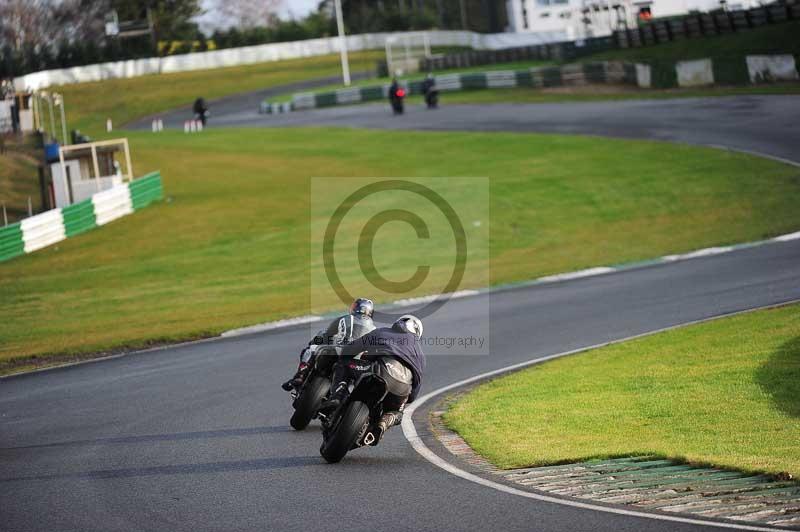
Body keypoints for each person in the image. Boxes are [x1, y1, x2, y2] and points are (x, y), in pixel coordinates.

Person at [322, 315, 426, 441]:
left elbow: (348, 351)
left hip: (380, 370)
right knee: (398, 412)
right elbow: (414, 393)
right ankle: (386, 420)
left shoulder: (382, 332)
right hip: (403, 387)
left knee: (343, 363)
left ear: (397, 322)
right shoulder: (420, 353)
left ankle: (337, 397)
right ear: (417, 334)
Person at [281, 298, 376, 391]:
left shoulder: (346, 318)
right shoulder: (374, 329)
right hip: (358, 360)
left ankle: (300, 376)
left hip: (340, 351)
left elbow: (327, 335)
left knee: (311, 349)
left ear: (357, 308)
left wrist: (314, 342)